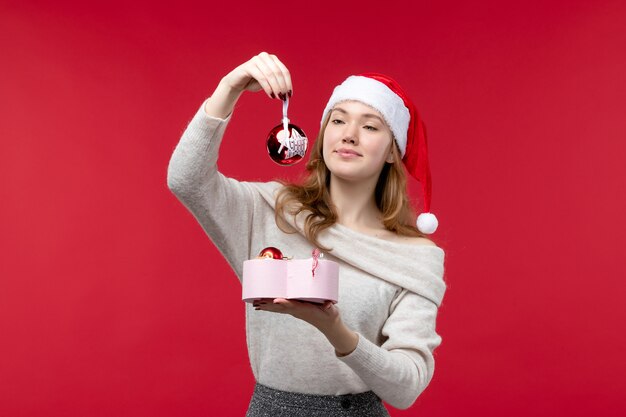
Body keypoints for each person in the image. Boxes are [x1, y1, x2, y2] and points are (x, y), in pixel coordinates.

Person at [167, 52, 446, 416]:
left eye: (370, 126)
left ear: (393, 151)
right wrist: (229, 87)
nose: (348, 134)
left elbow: (406, 387)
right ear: (323, 135)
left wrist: (335, 330)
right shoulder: (271, 210)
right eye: (338, 120)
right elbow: (186, 180)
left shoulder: (415, 255)